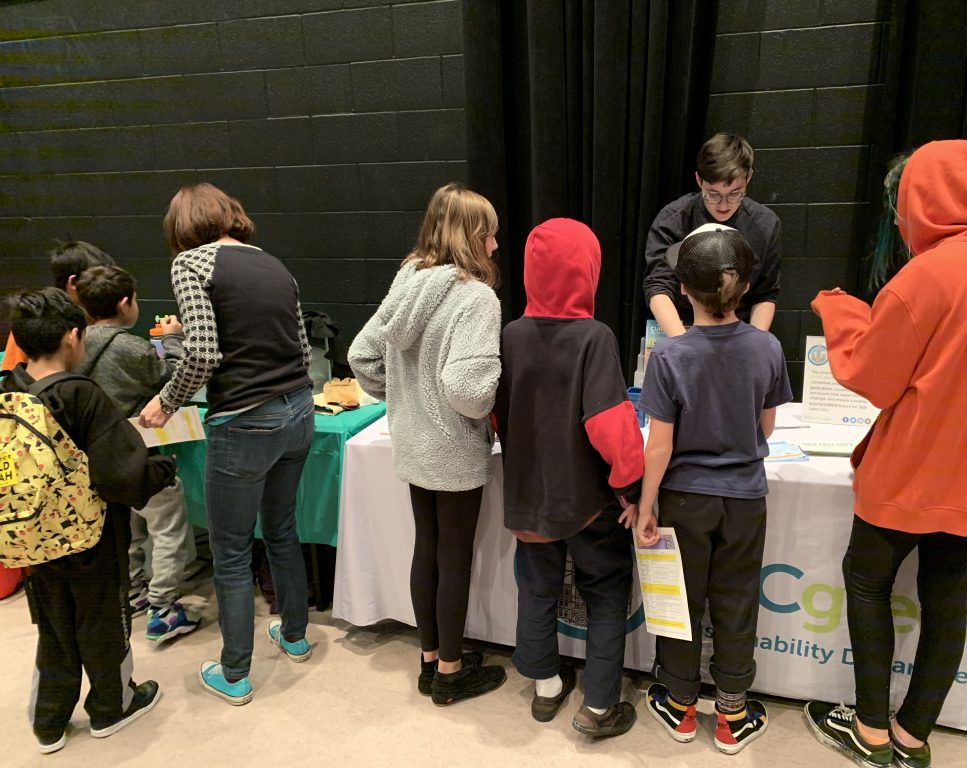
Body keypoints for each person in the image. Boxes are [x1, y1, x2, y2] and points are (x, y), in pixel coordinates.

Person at [803, 140, 967, 768]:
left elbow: (873, 375)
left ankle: (871, 728)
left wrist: (842, 313)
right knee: (946, 597)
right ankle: (912, 735)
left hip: (913, 467)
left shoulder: (927, 275)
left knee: (866, 580)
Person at [138, 183, 315, 706]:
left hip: (244, 420)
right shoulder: (272, 263)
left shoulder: (191, 264)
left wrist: (166, 402)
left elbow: (204, 351)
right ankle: (295, 635)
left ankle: (235, 672)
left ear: (181, 226)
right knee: (282, 529)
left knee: (231, 551)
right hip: (299, 410)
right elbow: (301, 346)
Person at [636, 223, 792, 754]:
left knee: (682, 600)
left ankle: (679, 704)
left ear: (681, 290)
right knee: (737, 599)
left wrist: (644, 506)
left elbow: (658, 447)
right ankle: (731, 712)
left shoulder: (670, 357)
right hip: (745, 498)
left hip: (684, 498)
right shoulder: (767, 347)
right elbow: (765, 429)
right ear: (745, 288)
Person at [349, 183, 507, 706]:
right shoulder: (476, 298)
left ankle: (430, 659)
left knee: (428, 548)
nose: (495, 246)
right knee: (455, 556)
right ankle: (451, 673)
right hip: (455, 448)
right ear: (474, 236)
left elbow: (361, 356)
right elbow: (468, 390)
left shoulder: (406, 281)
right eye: (490, 235)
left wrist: (404, 399)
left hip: (413, 443)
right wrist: (483, 400)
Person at [2, 288, 175, 753]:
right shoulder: (81, 395)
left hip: (33, 536)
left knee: (54, 626)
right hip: (89, 535)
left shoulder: (10, 390)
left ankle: (49, 720)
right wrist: (164, 468)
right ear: (71, 338)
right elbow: (123, 475)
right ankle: (111, 706)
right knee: (102, 619)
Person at [493, 218, 645, 737]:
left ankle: (545, 687)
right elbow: (611, 426)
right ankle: (599, 706)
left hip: (529, 495)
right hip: (589, 500)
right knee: (605, 589)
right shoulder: (594, 337)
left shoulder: (511, 334)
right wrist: (631, 486)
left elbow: (498, 413)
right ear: (589, 270)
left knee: (536, 587)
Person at [74, 265, 201, 644]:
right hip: (139, 459)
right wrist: (175, 339)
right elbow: (176, 379)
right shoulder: (130, 347)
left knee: (126, 530)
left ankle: (133, 591)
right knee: (167, 528)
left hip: (99, 461)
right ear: (125, 302)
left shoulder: (75, 345)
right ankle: (163, 610)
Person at [643, 133, 781, 336]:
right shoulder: (673, 219)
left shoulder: (765, 224)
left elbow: (766, 293)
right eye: (713, 194)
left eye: (735, 193)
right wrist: (683, 344)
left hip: (738, 333)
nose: (723, 205)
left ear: (749, 177)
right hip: (682, 327)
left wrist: (754, 344)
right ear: (699, 179)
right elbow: (658, 286)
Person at [2, 240, 115, 371]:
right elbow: (11, 373)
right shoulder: (33, 319)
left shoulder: (99, 319)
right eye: (97, 281)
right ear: (73, 282)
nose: (106, 288)